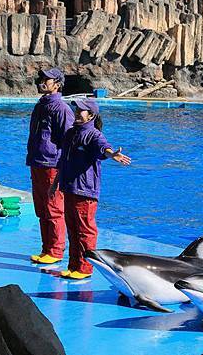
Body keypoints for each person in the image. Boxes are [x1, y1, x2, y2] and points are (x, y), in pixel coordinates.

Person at [51, 99, 131, 279]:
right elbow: (63, 161)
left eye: (82, 110)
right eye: (77, 109)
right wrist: (55, 184)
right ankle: (73, 265)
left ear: (91, 115)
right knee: (72, 229)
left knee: (85, 230)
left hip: (85, 191)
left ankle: (85, 268)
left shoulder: (94, 135)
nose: (77, 112)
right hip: (69, 188)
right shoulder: (71, 133)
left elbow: (104, 148)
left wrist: (113, 155)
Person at [27, 68, 74, 264]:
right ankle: (46, 248)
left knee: (53, 207)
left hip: (52, 165)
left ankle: (55, 251)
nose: (43, 81)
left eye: (48, 79)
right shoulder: (41, 106)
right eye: (42, 78)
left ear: (57, 84)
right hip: (37, 163)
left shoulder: (61, 109)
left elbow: (69, 139)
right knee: (41, 208)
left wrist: (65, 167)